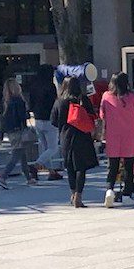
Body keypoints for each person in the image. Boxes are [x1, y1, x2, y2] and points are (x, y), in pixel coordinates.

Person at [50, 76, 99, 207]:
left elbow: (53, 121)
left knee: (70, 167)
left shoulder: (59, 101)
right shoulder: (83, 99)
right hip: (82, 136)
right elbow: (92, 116)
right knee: (81, 168)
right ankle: (79, 195)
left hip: (66, 136)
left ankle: (72, 193)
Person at [100, 71, 134, 207]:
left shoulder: (106, 96)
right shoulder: (132, 97)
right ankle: (126, 195)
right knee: (128, 166)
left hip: (112, 135)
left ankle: (109, 190)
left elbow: (102, 115)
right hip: (129, 135)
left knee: (113, 166)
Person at [25, 64, 63, 181]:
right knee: (53, 148)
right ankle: (36, 165)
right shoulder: (50, 86)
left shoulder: (34, 86)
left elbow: (30, 104)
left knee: (45, 147)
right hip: (49, 120)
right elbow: (54, 103)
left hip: (37, 119)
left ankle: (51, 172)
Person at [0, 79, 36, 185]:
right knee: (16, 155)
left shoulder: (4, 102)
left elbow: (1, 119)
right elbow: (22, 116)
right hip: (19, 130)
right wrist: (27, 115)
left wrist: (0, 134)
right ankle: (3, 177)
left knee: (22, 154)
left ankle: (28, 178)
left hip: (10, 131)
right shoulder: (19, 100)